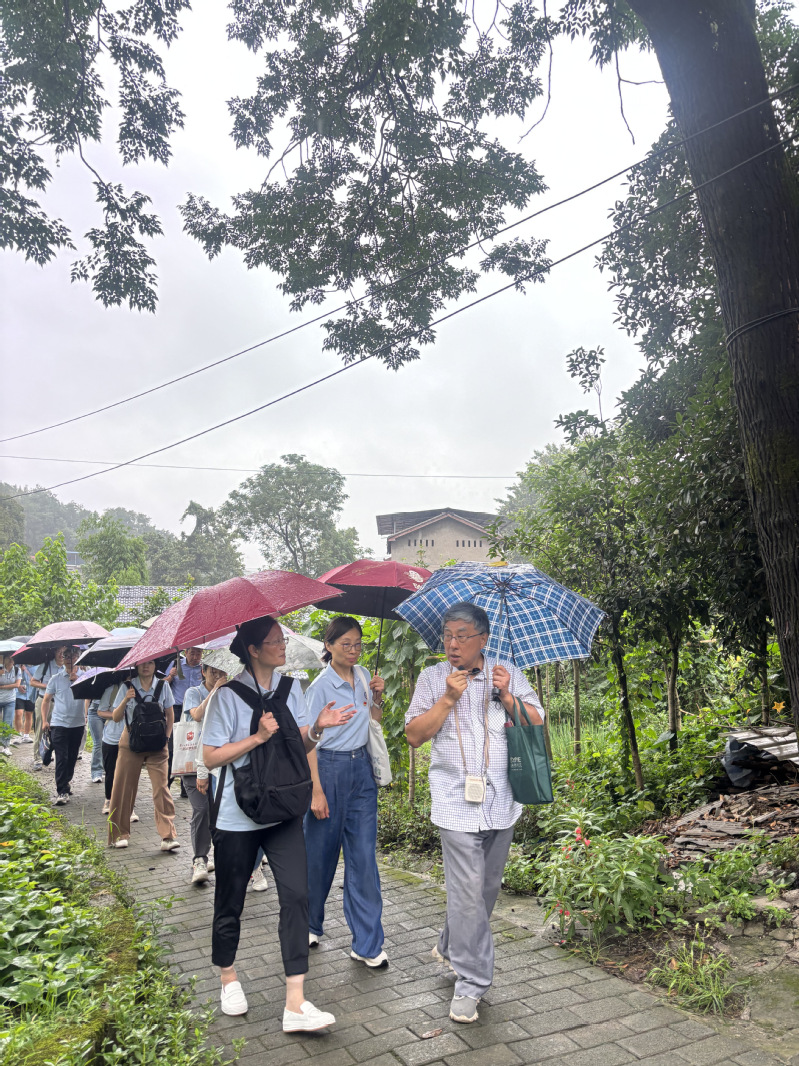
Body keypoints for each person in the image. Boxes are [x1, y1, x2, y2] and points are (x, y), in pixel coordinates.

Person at [202, 614, 355, 1030]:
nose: (283, 646)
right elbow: (211, 757)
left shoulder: (292, 689)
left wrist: (317, 729)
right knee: (230, 899)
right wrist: (256, 737)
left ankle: (295, 1002)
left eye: (282, 640)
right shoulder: (226, 697)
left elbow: (298, 745)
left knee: (297, 895)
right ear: (253, 650)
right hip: (237, 814)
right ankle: (228, 976)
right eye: (274, 641)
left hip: (283, 809)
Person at [405, 602, 544, 1025]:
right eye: (447, 635)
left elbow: (537, 722)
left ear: (483, 639)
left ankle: (450, 944)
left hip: (502, 800)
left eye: (462, 636)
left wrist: (507, 695)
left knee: (484, 891)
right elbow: (414, 735)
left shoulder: (508, 672)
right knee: (466, 893)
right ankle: (472, 982)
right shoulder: (432, 679)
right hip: (454, 802)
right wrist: (449, 698)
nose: (452, 644)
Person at [304, 616, 387, 967]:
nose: (353, 650)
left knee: (364, 858)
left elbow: (374, 722)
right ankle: (308, 923)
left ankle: (367, 944)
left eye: (358, 644)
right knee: (319, 855)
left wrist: (377, 699)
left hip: (361, 771)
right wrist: (316, 791)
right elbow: (307, 743)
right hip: (327, 769)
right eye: (345, 644)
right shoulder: (320, 687)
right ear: (329, 646)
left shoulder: (365, 676)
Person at [107, 661, 177, 850]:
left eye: (150, 663)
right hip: (131, 741)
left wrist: (167, 738)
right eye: (142, 663)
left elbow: (170, 715)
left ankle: (168, 836)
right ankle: (119, 833)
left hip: (158, 743)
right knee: (124, 788)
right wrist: (125, 699)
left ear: (155, 666)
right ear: (136, 666)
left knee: (161, 788)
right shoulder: (127, 686)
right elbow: (115, 717)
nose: (146, 666)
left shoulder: (163, 686)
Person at [181, 658, 228, 885]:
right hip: (193, 763)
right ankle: (199, 858)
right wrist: (215, 691)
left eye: (221, 672)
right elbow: (197, 715)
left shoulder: (228, 693)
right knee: (201, 809)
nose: (217, 675)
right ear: (203, 671)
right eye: (213, 671)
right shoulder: (194, 692)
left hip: (218, 762)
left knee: (218, 812)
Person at [41, 646, 86, 804]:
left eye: (73, 656)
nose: (69, 659)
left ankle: (66, 782)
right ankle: (61, 791)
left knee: (72, 757)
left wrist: (77, 681)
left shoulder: (85, 677)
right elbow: (46, 700)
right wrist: (45, 720)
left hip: (78, 723)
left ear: (78, 658)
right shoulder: (56, 678)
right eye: (66, 656)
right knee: (61, 757)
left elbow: (90, 696)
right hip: (58, 723)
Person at [96, 678, 138, 824]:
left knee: (129, 774)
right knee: (111, 772)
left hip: (131, 737)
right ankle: (108, 799)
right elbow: (100, 711)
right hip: (112, 737)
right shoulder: (111, 690)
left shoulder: (138, 690)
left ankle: (129, 807)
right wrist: (119, 713)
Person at [165, 647, 203, 789]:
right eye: (192, 653)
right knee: (173, 747)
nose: (195, 657)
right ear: (186, 653)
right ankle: (166, 786)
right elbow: (163, 685)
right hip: (176, 709)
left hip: (194, 710)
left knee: (191, 746)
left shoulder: (203, 669)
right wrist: (170, 676)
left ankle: (185, 788)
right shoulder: (176, 665)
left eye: (198, 653)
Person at [30, 648, 66, 769]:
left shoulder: (67, 667)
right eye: (59, 652)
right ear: (54, 653)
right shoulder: (46, 665)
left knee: (56, 730)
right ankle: (37, 758)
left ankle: (47, 753)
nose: (61, 654)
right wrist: (48, 686)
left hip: (59, 703)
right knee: (41, 728)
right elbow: (33, 682)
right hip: (43, 700)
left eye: (64, 652)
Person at [0, 654, 22, 755]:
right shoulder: (0, 669)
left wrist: (2, 686)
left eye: (12, 658)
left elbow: (17, 685)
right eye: (9, 658)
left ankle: (5, 746)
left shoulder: (17, 670)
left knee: (7, 723)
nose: (11, 660)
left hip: (10, 700)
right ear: (4, 659)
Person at [14, 664, 35, 745]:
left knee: (29, 714)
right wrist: (18, 685)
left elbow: (37, 680)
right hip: (18, 694)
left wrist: (26, 671)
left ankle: (26, 735)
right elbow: (12, 679)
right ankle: (18, 735)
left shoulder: (36, 666)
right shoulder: (17, 666)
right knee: (18, 713)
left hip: (31, 693)